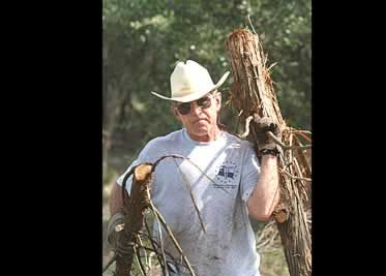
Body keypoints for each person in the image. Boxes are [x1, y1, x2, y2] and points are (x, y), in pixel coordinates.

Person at [106, 60, 281, 276]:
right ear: (176, 112)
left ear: (217, 101)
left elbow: (262, 210)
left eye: (203, 102)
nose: (196, 112)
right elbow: (121, 188)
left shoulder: (239, 151)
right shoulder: (158, 150)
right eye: (185, 107)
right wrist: (117, 225)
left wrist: (270, 152)